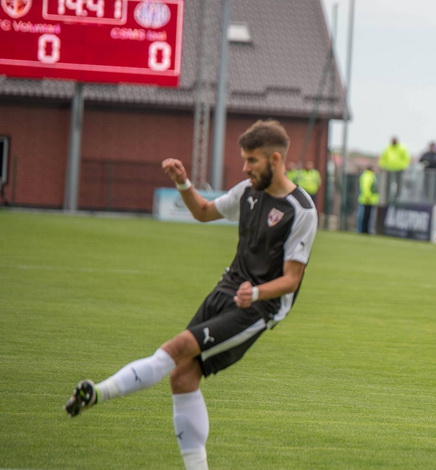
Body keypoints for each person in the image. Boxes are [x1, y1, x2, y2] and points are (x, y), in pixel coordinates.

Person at [63, 120, 319, 470]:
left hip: (259, 307)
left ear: (276, 159)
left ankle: (97, 392)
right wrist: (183, 181)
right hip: (227, 289)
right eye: (244, 160)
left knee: (177, 348)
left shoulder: (300, 209)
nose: (245, 168)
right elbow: (202, 211)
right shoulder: (247, 191)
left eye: (252, 161)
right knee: (182, 377)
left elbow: (291, 279)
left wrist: (256, 292)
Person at [378, 136, 411, 204]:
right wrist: (382, 165)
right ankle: (387, 199)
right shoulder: (387, 148)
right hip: (389, 169)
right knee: (388, 185)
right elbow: (383, 157)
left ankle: (397, 199)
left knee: (399, 184)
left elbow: (406, 158)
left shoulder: (402, 148)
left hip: (399, 169)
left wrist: (404, 166)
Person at [358, 165, 379, 234]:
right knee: (366, 216)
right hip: (367, 200)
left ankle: (365, 230)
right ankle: (364, 230)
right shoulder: (368, 176)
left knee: (367, 216)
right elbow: (366, 187)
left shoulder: (369, 176)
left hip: (369, 199)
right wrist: (368, 197)